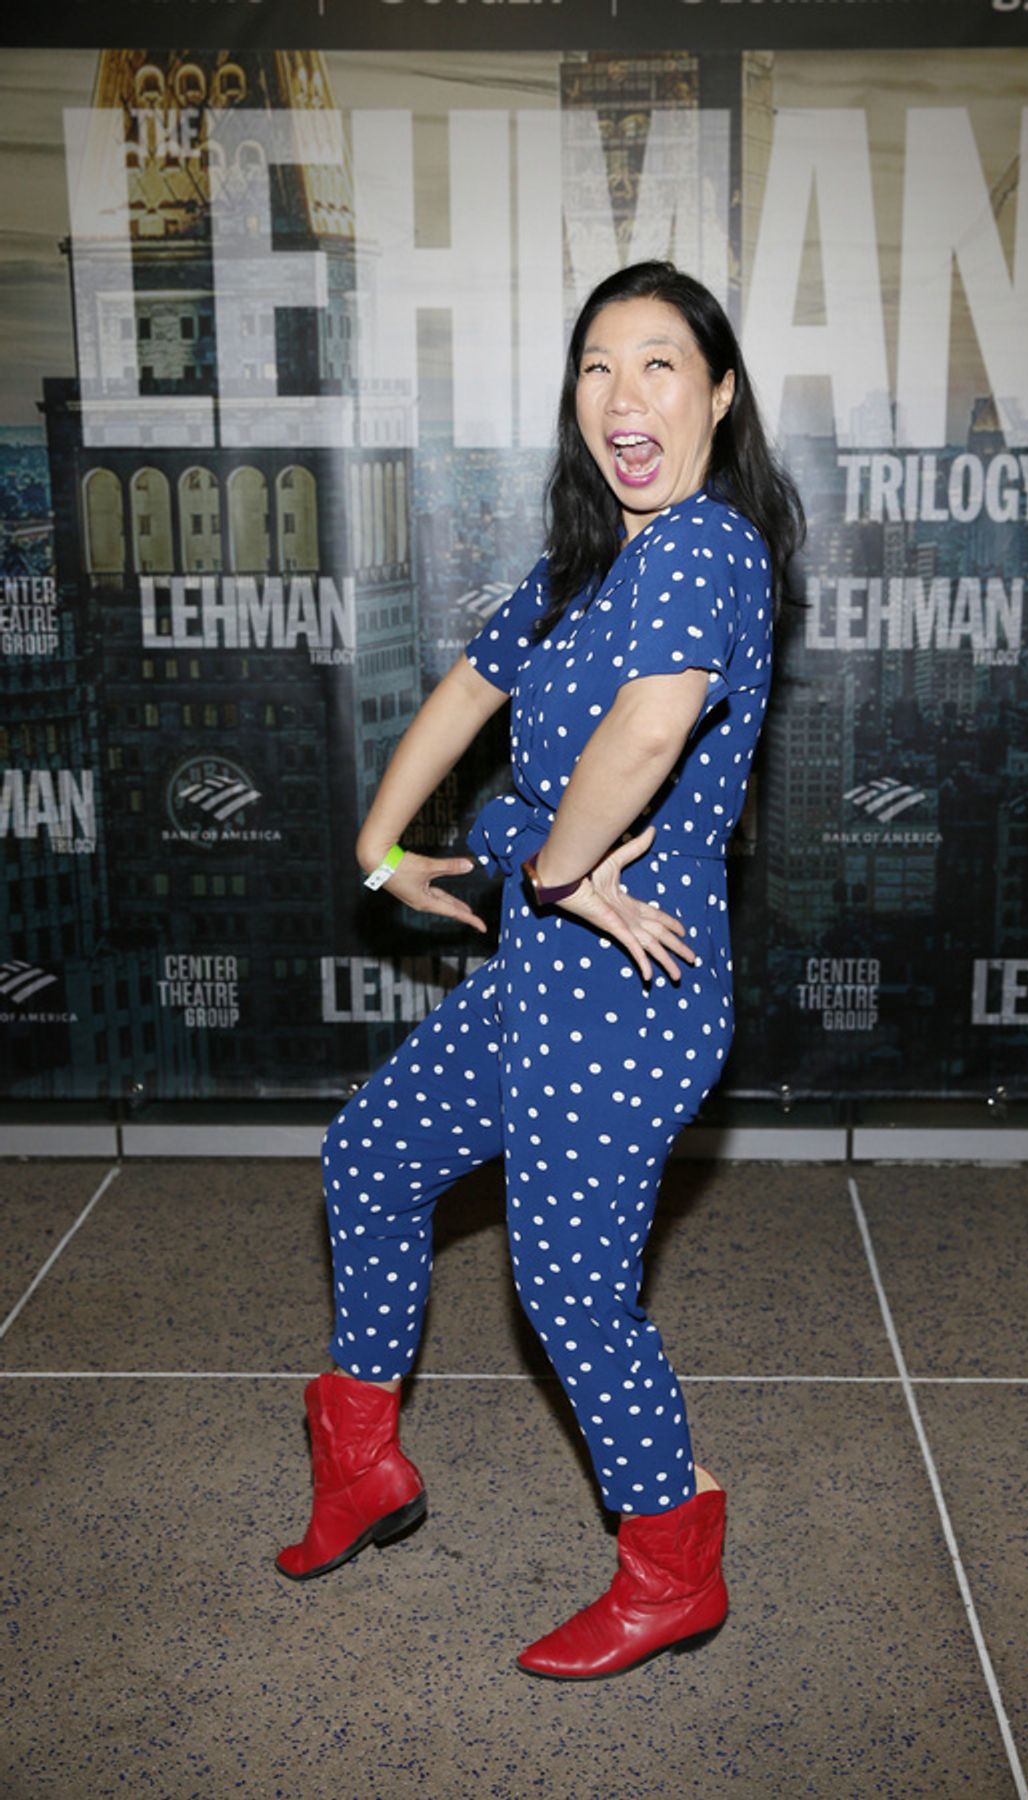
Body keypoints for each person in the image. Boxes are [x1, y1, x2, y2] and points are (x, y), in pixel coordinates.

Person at [275, 260, 804, 1681]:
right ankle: (361, 1465)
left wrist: (561, 871)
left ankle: (673, 1567)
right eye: (596, 367)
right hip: (540, 971)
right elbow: (471, 686)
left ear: (720, 394)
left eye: (659, 363)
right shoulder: (587, 565)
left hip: (632, 985)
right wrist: (382, 847)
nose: (624, 396)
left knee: (569, 1293)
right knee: (372, 1158)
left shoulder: (706, 544)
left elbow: (651, 729)